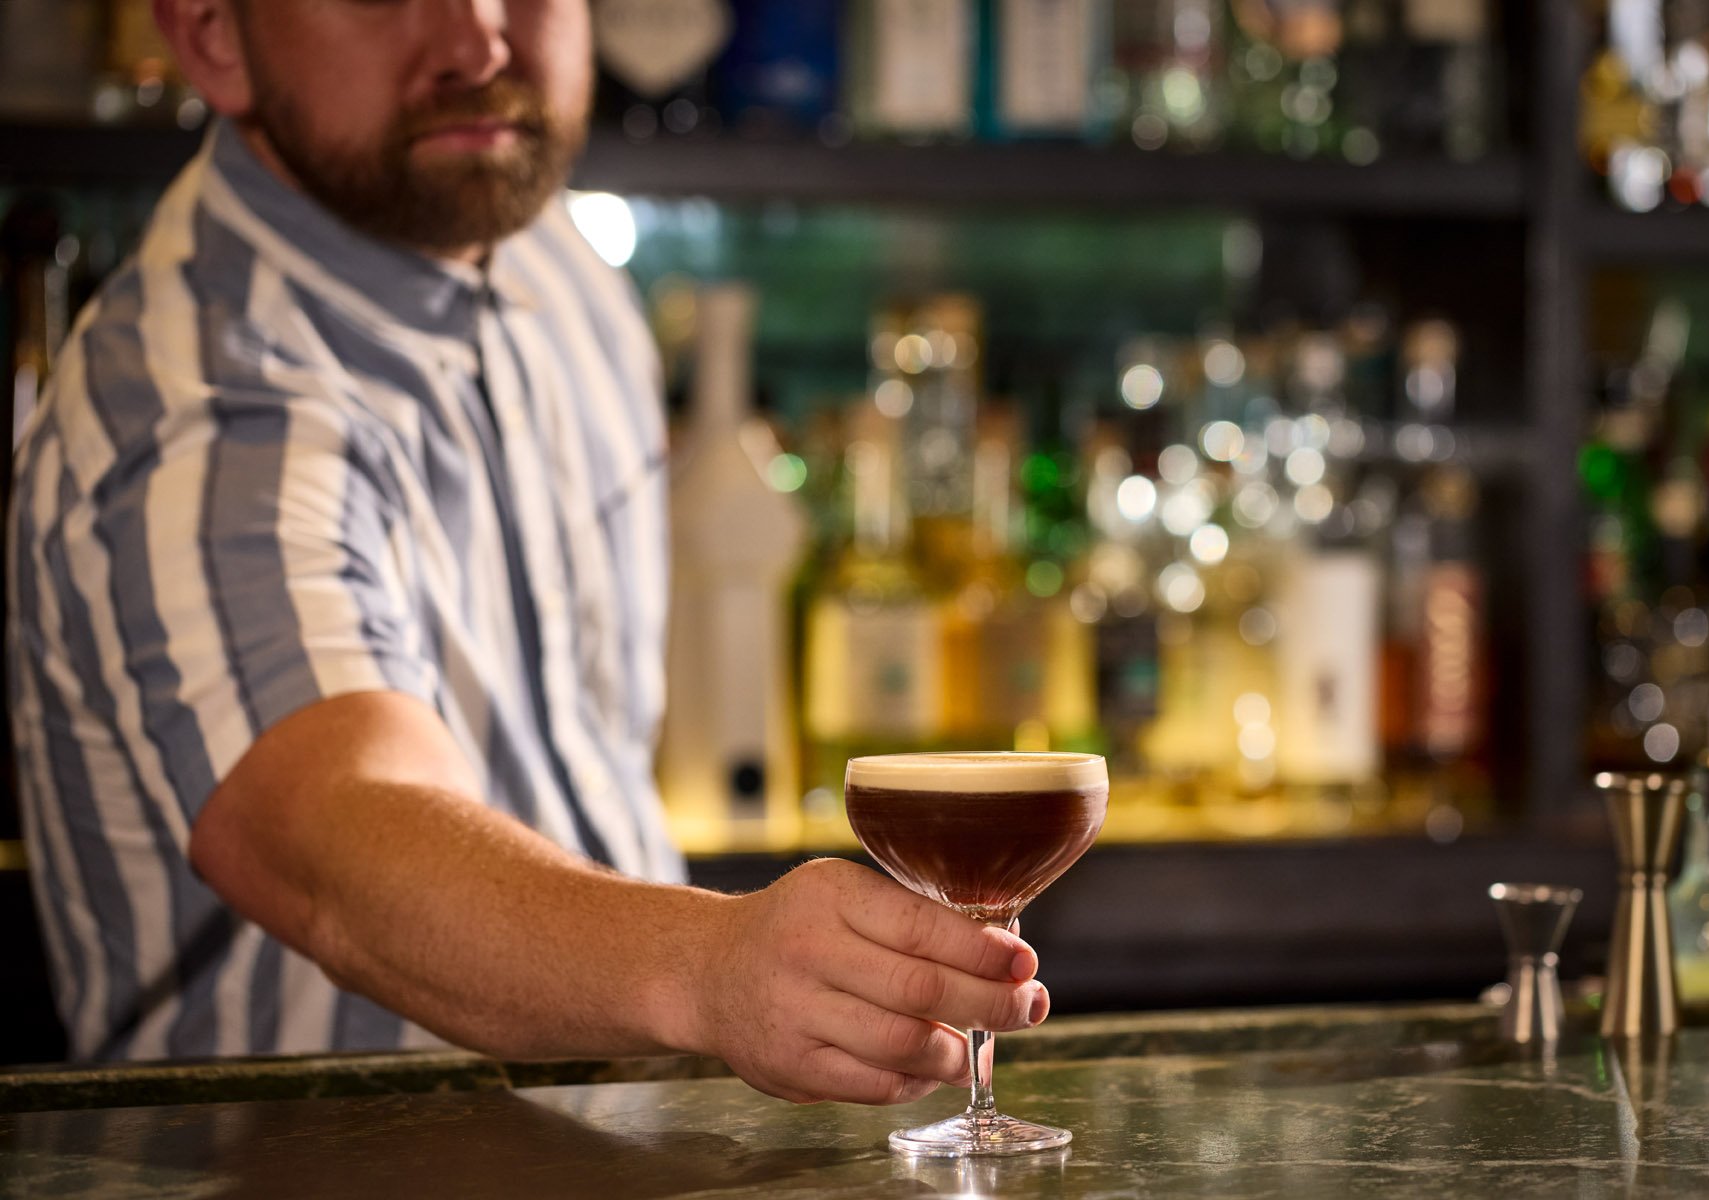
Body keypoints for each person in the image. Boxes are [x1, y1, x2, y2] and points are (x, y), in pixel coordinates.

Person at [6, 0, 1050, 1103]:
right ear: (214, 38)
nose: (478, 41)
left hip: (617, 1151)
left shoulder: (558, 277)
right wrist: (709, 963)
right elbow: (345, 853)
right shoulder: (195, 411)